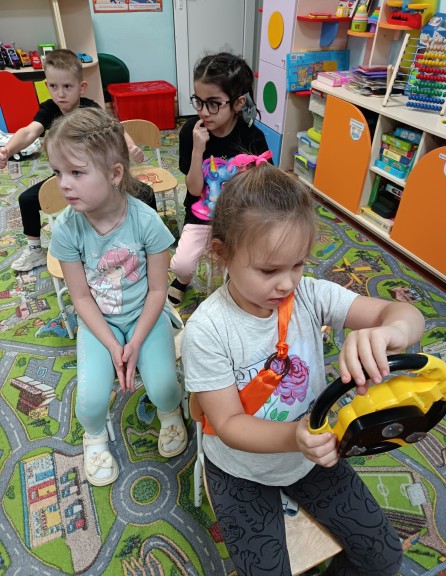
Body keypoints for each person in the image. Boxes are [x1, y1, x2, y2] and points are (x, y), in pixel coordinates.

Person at [182, 163, 425, 576]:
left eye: (297, 265)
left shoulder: (309, 295)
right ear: (222, 253)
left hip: (308, 455)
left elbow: (406, 314)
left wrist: (390, 332)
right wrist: (295, 436)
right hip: (240, 471)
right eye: (268, 270)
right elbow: (229, 424)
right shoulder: (208, 329)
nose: (286, 283)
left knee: (384, 558)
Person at [46, 108, 188, 486]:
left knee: (164, 387)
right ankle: (94, 436)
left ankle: (170, 414)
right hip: (99, 321)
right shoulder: (67, 229)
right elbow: (80, 298)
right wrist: (112, 345)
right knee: (91, 400)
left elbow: (158, 290)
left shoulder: (146, 221)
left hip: (146, 314)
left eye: (76, 172)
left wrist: (136, 342)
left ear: (114, 174)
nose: (64, 184)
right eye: (58, 172)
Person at [0, 48, 155, 273]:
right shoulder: (49, 109)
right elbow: (29, 132)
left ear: (81, 87)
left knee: (145, 192)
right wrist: (6, 150)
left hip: (96, 174)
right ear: (47, 85)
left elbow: (116, 129)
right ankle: (34, 250)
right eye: (53, 86)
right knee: (27, 199)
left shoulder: (90, 108)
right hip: (67, 175)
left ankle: (148, 239)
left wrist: (130, 146)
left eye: (67, 86)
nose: (60, 93)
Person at [167, 51, 269, 306]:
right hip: (201, 213)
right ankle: (182, 281)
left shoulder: (252, 137)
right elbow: (194, 189)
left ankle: (233, 288)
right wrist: (198, 150)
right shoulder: (191, 131)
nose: (204, 111)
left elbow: (263, 187)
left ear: (238, 103)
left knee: (246, 265)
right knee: (181, 265)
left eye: (213, 103)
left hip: (239, 216)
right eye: (198, 101)